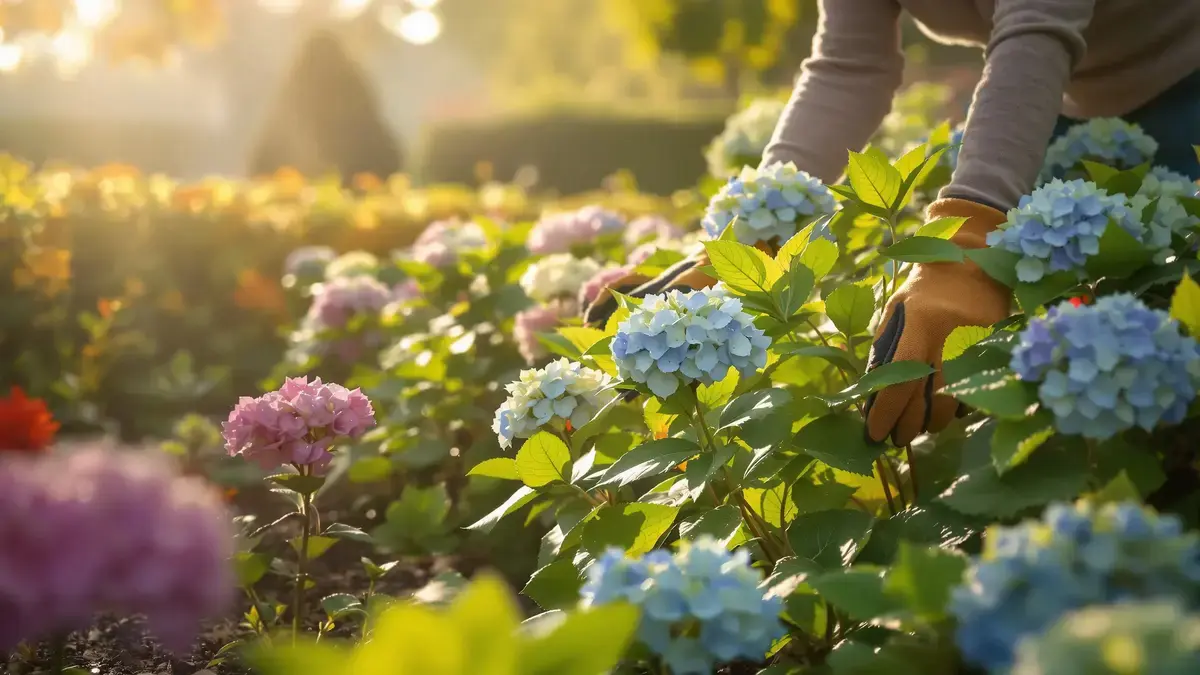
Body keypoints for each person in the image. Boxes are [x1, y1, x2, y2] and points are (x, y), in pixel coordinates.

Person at [586, 0, 1200, 447]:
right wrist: (752, 236)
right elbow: (848, 66)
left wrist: (966, 236)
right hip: (1059, 103)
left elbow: (1035, 27)